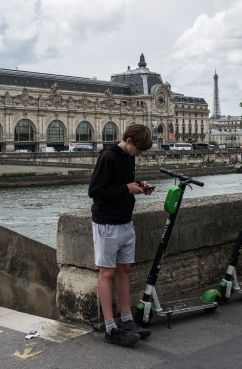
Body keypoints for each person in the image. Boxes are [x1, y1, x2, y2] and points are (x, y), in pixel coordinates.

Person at [88, 123, 154, 347]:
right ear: (129, 141)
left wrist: (138, 185)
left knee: (125, 269)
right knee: (107, 273)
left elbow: (123, 184)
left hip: (125, 221)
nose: (140, 154)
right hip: (107, 223)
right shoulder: (108, 157)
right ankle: (110, 328)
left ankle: (126, 319)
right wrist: (127, 189)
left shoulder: (129, 156)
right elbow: (95, 192)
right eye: (139, 149)